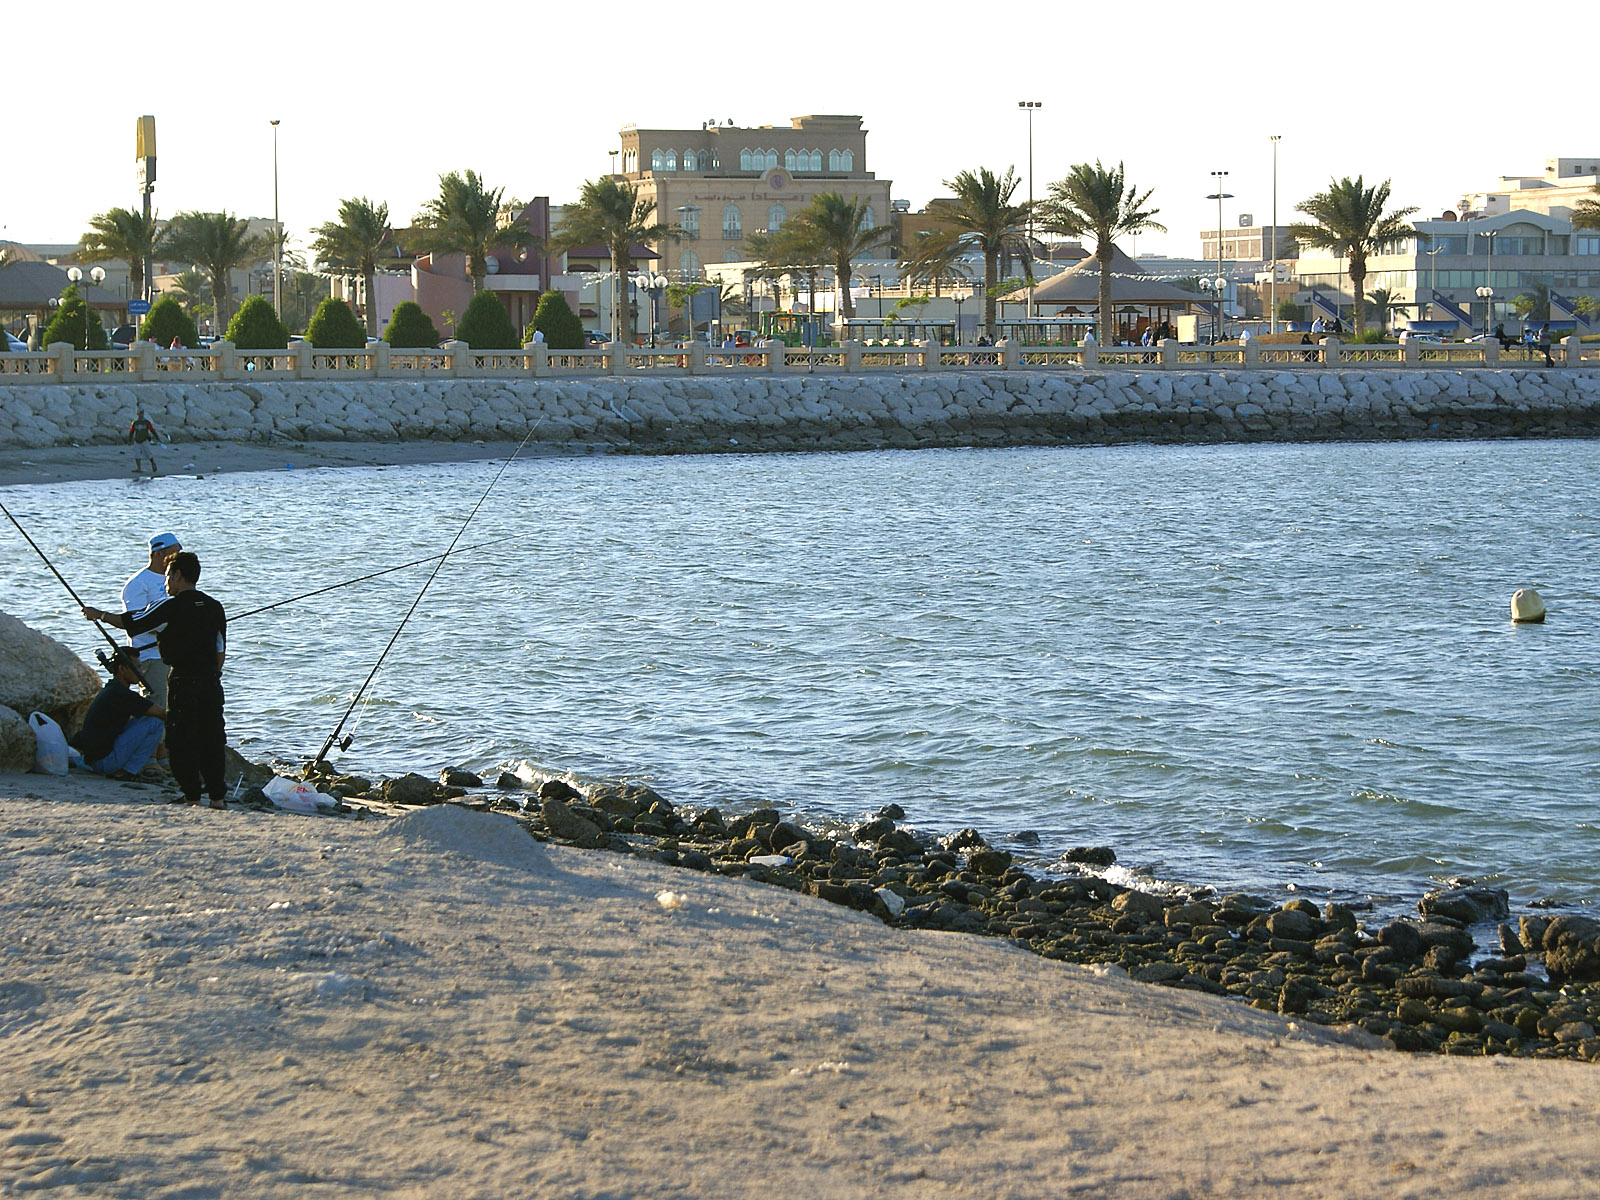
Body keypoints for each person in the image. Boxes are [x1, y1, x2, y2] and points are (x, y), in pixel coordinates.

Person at [83, 551, 228, 809]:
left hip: (183, 680)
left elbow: (131, 623)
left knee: (180, 740)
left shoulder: (169, 605)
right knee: (212, 738)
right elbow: (220, 650)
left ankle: (192, 796)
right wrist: (212, 676)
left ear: (178, 575)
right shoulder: (215, 607)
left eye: (167, 575)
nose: (165, 581)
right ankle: (218, 798)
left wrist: (100, 615)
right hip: (211, 682)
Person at [69, 648, 166, 781]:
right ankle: (128, 771)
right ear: (122, 669)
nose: (140, 672)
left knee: (144, 719)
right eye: (136, 668)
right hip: (104, 763)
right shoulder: (121, 694)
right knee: (155, 723)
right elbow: (161, 713)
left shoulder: (112, 689)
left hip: (94, 759)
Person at [124, 531, 181, 723]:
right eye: (174, 553)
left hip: (172, 656)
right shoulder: (138, 583)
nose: (178, 557)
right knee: (155, 709)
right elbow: (136, 622)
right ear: (157, 554)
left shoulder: (175, 578)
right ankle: (154, 752)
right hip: (150, 657)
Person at [128, 408, 161, 475]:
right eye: (139, 413)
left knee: (148, 453)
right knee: (136, 454)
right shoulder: (135, 422)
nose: (140, 415)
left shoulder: (146, 422)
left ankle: (153, 463)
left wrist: (157, 438)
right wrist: (129, 440)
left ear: (143, 413)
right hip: (137, 440)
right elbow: (131, 431)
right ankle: (138, 468)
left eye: (141, 413)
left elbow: (152, 430)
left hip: (144, 440)